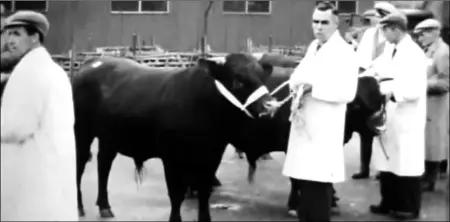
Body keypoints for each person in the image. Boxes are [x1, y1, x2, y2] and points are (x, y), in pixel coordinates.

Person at [282, 1, 358, 221]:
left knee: (318, 186)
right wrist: (296, 84)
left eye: (324, 22)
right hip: (306, 126)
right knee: (305, 184)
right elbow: (297, 75)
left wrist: (313, 88)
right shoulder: (314, 46)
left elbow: (347, 92)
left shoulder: (344, 53)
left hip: (324, 129)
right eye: (315, 21)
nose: (318, 27)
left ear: (336, 25)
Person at [1, 11, 78, 221]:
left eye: (16, 34)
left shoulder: (28, 72)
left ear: (34, 37)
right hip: (51, 179)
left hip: (31, 181)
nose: (9, 41)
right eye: (6, 34)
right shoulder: (53, 70)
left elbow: (15, 129)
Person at [368, 12, 427, 220]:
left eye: (385, 30)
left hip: (406, 115)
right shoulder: (391, 48)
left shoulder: (414, 53)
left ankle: (409, 207)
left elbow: (416, 89)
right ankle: (388, 202)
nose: (383, 35)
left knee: (406, 163)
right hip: (391, 116)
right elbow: (378, 65)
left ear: (395, 29)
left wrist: (391, 90)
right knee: (387, 161)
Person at [352, 1, 397, 180]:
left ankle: (383, 168)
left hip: (383, 84)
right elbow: (361, 57)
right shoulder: (369, 34)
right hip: (367, 84)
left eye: (381, 17)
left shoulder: (392, 38)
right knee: (365, 128)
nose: (377, 21)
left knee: (383, 127)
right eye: (376, 17)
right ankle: (364, 168)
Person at [414, 18, 449, 191]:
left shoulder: (442, 52)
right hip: (426, 103)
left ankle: (430, 179)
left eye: (423, 34)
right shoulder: (429, 51)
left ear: (435, 32)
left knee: (434, 143)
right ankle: (425, 176)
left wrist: (422, 85)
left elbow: (445, 82)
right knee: (426, 142)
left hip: (435, 104)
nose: (420, 38)